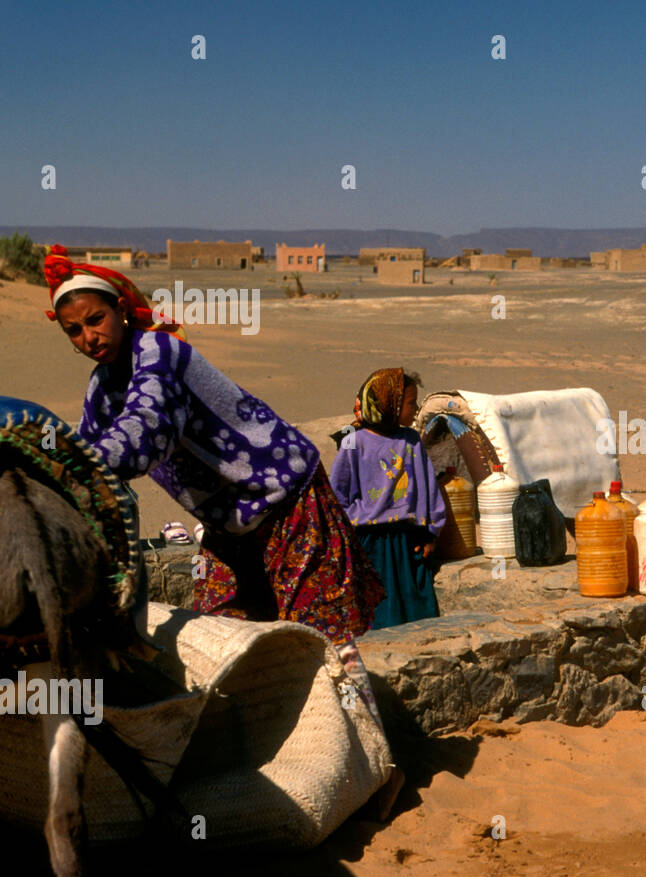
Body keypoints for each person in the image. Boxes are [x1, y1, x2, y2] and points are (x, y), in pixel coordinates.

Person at [43, 245, 387, 716]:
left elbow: (143, 434)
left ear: (121, 309)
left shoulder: (159, 353)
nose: (89, 336)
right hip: (230, 523)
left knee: (322, 639)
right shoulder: (102, 388)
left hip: (286, 497)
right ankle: (280, 743)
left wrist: (67, 467)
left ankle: (374, 753)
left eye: (96, 319)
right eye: (74, 332)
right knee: (224, 633)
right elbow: (85, 448)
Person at [329, 368, 445, 629]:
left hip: (407, 541)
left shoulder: (411, 441)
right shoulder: (353, 442)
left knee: (416, 610)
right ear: (388, 403)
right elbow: (338, 495)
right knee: (376, 611)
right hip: (369, 542)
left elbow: (428, 490)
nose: (415, 410)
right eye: (410, 403)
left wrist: (430, 533)